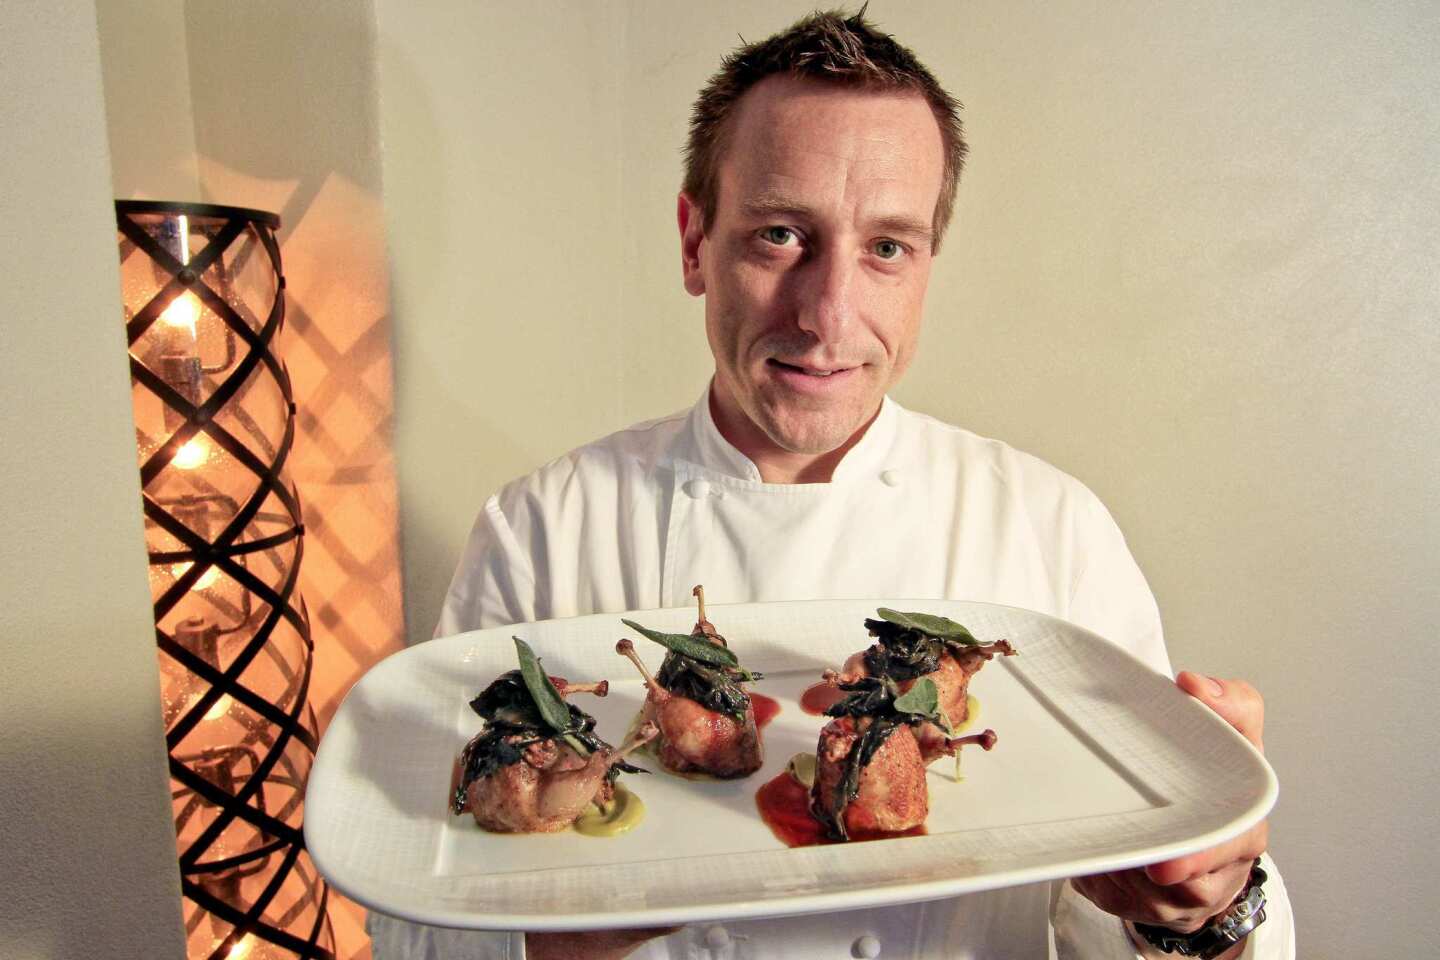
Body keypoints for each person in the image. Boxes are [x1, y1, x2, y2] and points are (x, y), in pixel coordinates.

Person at [370, 9, 1294, 960]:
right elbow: (407, 917)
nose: (828, 315)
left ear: (928, 263)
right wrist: (553, 946)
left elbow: (1152, 914)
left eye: (887, 247)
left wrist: (1199, 909)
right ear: (696, 243)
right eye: (780, 235)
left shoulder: (1050, 531)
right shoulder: (543, 532)